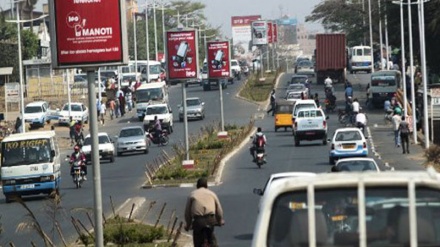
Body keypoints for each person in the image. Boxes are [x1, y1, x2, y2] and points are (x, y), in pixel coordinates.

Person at [184, 177, 224, 247]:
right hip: (210, 220)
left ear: (197, 186)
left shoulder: (192, 194)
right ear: (207, 186)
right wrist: (220, 221)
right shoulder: (212, 194)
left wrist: (188, 225)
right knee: (212, 238)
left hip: (198, 221)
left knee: (197, 240)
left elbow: (187, 213)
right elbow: (219, 210)